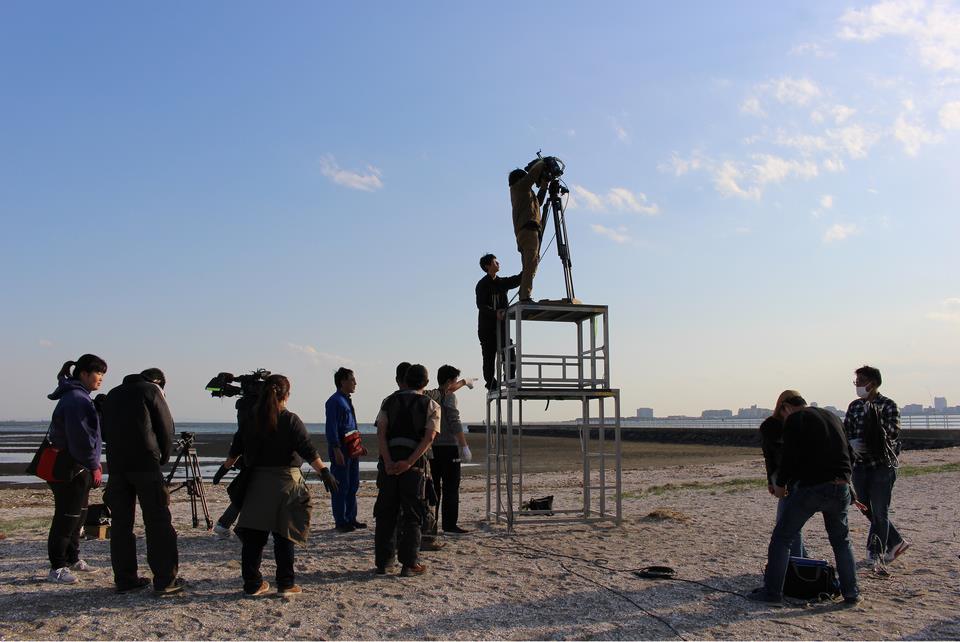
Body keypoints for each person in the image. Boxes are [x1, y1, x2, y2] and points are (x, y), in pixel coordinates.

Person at [750, 393, 860, 606]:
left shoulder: (795, 420)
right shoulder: (832, 416)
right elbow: (850, 453)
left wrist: (781, 484)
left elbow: (790, 456)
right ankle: (851, 594)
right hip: (841, 486)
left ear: (786, 408)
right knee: (841, 541)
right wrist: (848, 482)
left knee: (782, 538)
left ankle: (772, 593)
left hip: (813, 487)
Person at [234, 374, 337, 596]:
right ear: (287, 395)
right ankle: (286, 584)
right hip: (287, 482)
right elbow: (307, 449)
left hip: (257, 482)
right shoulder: (290, 419)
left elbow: (238, 445)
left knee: (253, 537)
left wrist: (225, 467)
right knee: (285, 534)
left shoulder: (252, 418)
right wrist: (325, 472)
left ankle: (252, 583)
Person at [101, 368, 183, 595]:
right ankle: (165, 579)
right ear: (159, 383)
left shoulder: (113, 394)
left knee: (120, 524)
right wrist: (163, 456)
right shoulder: (151, 391)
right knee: (158, 522)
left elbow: (104, 432)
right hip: (146, 464)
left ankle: (125, 578)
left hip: (117, 466)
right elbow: (166, 428)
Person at [44, 354, 108, 584]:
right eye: (98, 373)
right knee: (66, 517)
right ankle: (57, 566)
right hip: (70, 467)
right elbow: (81, 439)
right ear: (83, 374)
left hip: (78, 467)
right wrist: (94, 465)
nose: (100, 378)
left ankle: (72, 558)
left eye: (102, 374)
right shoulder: (76, 399)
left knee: (79, 515)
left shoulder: (80, 397)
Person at [373, 364, 441, 577]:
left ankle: (384, 562)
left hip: (389, 463)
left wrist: (388, 461)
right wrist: (409, 462)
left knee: (386, 513)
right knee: (413, 513)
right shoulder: (431, 404)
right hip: (414, 466)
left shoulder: (389, 401)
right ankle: (409, 563)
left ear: (404, 380)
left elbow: (381, 434)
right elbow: (429, 438)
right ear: (426, 383)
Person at [844, 365, 909, 563]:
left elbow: (891, 433)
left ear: (872, 383)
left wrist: (867, 439)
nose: (858, 385)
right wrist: (851, 445)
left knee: (880, 509)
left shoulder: (889, 405)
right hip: (860, 466)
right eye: (856, 382)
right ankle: (897, 541)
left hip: (883, 465)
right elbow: (846, 431)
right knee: (864, 505)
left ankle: (875, 551)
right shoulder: (854, 406)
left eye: (861, 381)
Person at [758, 390, 807, 559]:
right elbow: (770, 457)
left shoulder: (801, 425)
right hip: (785, 479)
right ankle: (800, 561)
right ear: (783, 407)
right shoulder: (771, 427)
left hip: (795, 479)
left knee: (788, 524)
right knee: (789, 524)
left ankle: (799, 562)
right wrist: (772, 482)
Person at [424, 365, 472, 534]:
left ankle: (432, 525)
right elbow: (454, 421)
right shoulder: (449, 397)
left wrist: (465, 382)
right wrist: (464, 445)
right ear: (449, 381)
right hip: (449, 447)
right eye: (454, 380)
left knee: (433, 488)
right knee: (451, 487)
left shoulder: (432, 396)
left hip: (432, 448)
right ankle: (450, 524)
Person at [325, 367, 364, 533]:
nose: (355, 383)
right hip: (341, 449)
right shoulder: (334, 401)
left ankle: (351, 517)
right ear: (343, 382)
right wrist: (336, 449)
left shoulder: (346, 400)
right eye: (352, 379)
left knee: (353, 484)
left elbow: (351, 426)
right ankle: (341, 521)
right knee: (341, 485)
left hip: (352, 449)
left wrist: (360, 447)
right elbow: (331, 427)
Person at [476, 253, 522, 390]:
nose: (499, 264)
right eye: (495, 262)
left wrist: (530, 267)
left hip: (501, 328)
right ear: (487, 266)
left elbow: (517, 280)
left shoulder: (501, 282)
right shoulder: (482, 284)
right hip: (487, 328)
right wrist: (495, 313)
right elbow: (481, 305)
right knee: (489, 357)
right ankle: (490, 383)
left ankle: (510, 379)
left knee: (509, 351)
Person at [508, 158, 549, 303]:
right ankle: (525, 296)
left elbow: (538, 202)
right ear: (520, 179)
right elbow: (531, 176)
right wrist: (543, 162)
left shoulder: (525, 194)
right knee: (530, 265)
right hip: (528, 232)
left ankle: (524, 294)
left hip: (530, 232)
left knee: (530, 265)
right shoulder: (519, 187)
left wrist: (544, 186)